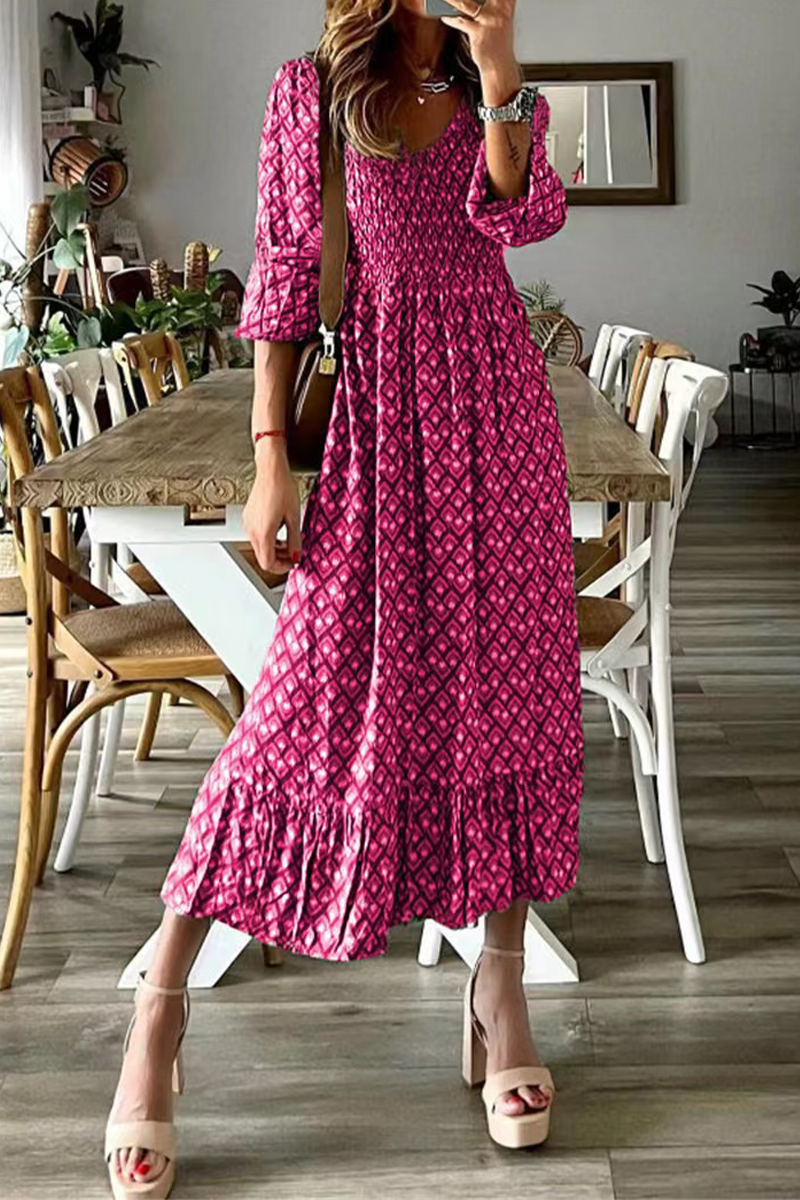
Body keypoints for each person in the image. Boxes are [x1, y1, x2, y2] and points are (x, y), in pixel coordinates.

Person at [104, 0, 583, 1193]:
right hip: (371, 418)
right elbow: (280, 272)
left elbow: (521, 218)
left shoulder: (492, 88)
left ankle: (500, 992)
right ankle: (160, 1007)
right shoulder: (310, 91)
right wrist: (270, 456)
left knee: (502, 705)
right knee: (295, 720)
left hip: (497, 421)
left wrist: (500, 71)